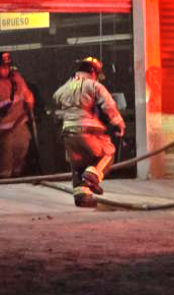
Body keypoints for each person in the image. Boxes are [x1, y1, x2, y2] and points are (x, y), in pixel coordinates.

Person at [53, 56, 125, 208]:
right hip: (88, 129)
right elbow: (108, 105)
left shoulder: (64, 88)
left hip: (68, 132)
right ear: (93, 72)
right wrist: (119, 124)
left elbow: (56, 99)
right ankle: (93, 175)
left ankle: (82, 198)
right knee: (108, 153)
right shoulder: (94, 86)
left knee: (79, 165)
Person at [0, 51, 36, 179]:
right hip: (1, 128)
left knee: (22, 146)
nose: (5, 70)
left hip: (19, 123)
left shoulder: (17, 79)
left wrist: (29, 105)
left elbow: (28, 98)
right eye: (2, 67)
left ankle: (17, 174)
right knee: (6, 154)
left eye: (7, 66)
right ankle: (4, 179)